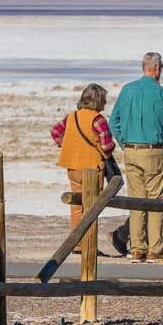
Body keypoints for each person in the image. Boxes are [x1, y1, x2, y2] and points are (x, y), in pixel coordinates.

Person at [108, 52, 163, 262]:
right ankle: (155, 248)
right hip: (154, 150)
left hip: (132, 151)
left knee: (136, 200)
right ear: (157, 69)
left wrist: (125, 144)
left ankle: (138, 247)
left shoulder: (127, 90)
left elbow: (114, 121)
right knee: (157, 200)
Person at [51, 83, 116, 231]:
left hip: (72, 166)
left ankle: (77, 244)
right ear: (98, 101)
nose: (105, 103)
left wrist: (67, 145)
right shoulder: (98, 120)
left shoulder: (71, 117)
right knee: (91, 207)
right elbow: (106, 146)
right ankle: (88, 244)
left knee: (76, 207)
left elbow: (55, 132)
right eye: (104, 100)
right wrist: (112, 146)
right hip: (92, 169)